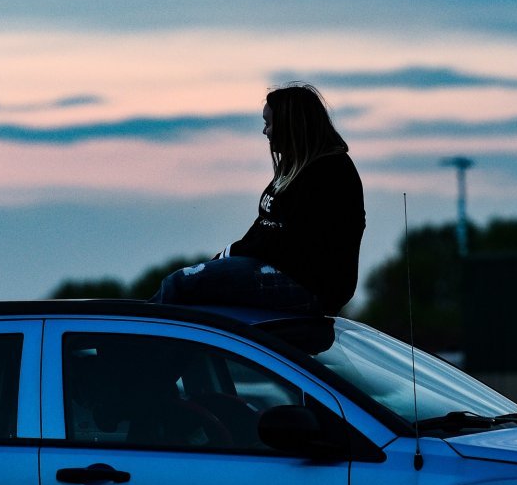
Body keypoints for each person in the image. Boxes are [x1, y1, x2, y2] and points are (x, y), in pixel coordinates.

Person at [151, 83, 365, 316]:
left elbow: (283, 242)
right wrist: (226, 257)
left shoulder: (330, 172)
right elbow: (265, 228)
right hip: (281, 272)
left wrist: (229, 257)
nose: (265, 132)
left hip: (308, 287)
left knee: (181, 285)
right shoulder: (297, 167)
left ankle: (135, 337)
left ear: (289, 124)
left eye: (269, 123)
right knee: (185, 287)